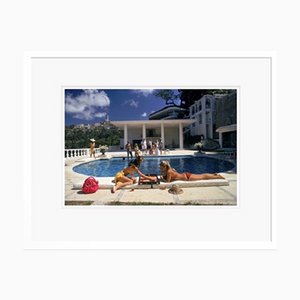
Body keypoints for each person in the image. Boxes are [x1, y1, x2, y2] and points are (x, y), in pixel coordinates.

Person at [159, 160, 225, 182]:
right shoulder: (170, 169)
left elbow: (168, 182)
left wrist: (162, 178)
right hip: (185, 175)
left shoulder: (169, 172)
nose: (160, 168)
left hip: (187, 177)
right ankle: (214, 174)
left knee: (203, 177)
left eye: (161, 167)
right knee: (202, 175)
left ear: (165, 167)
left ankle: (218, 177)